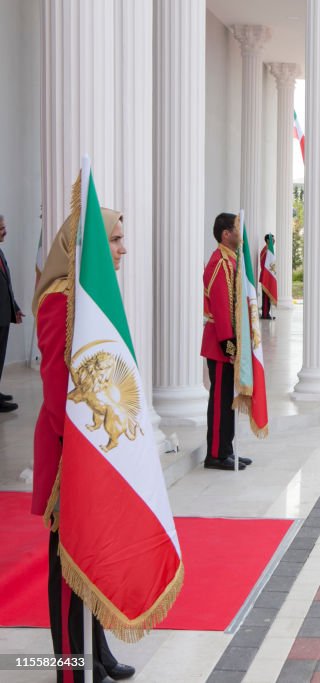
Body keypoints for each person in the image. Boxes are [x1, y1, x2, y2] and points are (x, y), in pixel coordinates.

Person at [33, 205, 136, 682]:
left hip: (95, 443)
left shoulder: (90, 294)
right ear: (88, 246)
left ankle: (98, 652)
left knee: (93, 552)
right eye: (115, 240)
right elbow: (57, 392)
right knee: (68, 561)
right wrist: (85, 448)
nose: (123, 249)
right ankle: (70, 667)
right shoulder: (59, 300)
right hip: (69, 451)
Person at [201, 214, 255, 470]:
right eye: (237, 229)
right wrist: (230, 346)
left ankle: (226, 449)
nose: (240, 235)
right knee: (221, 401)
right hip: (221, 344)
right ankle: (215, 454)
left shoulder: (232, 261)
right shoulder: (219, 263)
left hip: (229, 343)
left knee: (228, 401)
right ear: (225, 234)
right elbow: (222, 308)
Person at [0, 215, 25, 411]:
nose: (5, 232)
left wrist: (14, 307)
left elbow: (6, 285)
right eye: (1, 229)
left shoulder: (0, 252)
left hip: (3, 316)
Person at [259, 233, 276, 319]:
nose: (274, 241)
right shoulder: (266, 251)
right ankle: (265, 314)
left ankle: (267, 313)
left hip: (267, 276)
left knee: (267, 297)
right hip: (266, 276)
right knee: (265, 297)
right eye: (272, 239)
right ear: (268, 241)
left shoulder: (268, 250)